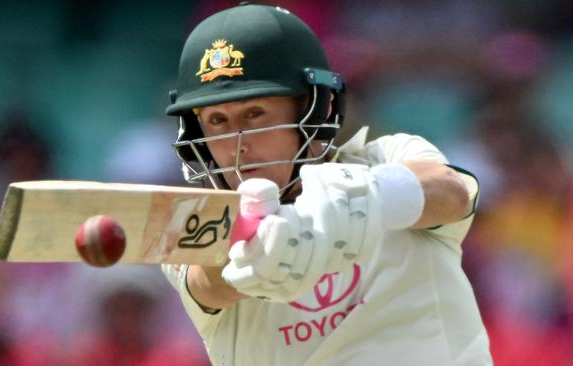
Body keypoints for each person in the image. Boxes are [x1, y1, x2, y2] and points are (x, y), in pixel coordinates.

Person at [162, 3, 492, 365]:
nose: (237, 143)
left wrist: (359, 201)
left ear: (315, 110)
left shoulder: (388, 156)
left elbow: (452, 193)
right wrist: (249, 254)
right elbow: (206, 286)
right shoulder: (199, 222)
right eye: (218, 120)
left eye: (255, 114)